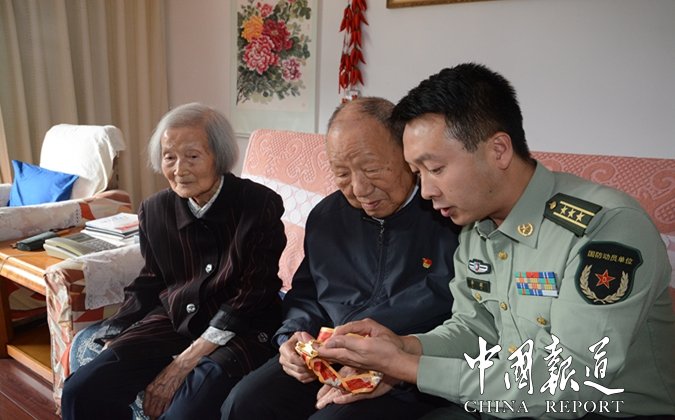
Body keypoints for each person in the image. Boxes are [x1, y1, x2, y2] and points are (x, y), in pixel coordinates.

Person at [317, 63, 675, 419]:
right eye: (417, 172)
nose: (425, 191)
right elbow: (476, 330)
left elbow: (570, 380)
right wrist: (404, 347)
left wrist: (411, 368)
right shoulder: (477, 227)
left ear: (499, 150)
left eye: (436, 169)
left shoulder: (606, 228)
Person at [221, 97, 461, 420]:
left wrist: (394, 357)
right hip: (329, 356)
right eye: (342, 174)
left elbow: (457, 313)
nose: (360, 189)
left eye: (371, 169)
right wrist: (293, 336)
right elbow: (307, 294)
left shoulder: (447, 214)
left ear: (407, 153)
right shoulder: (327, 216)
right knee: (244, 403)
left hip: (406, 367)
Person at [61, 103, 287, 419]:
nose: (179, 169)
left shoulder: (258, 204)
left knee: (186, 410)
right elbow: (151, 279)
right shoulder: (155, 210)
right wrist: (117, 331)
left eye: (192, 156)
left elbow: (256, 291)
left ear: (219, 157)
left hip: (243, 326)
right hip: (175, 319)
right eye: (169, 157)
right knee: (81, 390)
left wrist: (186, 359)